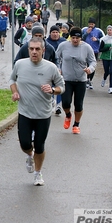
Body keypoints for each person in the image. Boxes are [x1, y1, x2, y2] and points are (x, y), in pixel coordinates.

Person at [9, 37, 65, 186]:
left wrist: (53, 90)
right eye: (31, 49)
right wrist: (15, 92)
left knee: (40, 145)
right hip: (25, 111)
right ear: (28, 50)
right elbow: (12, 80)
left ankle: (38, 173)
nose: (34, 52)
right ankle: (30, 155)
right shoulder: (20, 64)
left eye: (37, 49)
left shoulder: (50, 67)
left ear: (43, 50)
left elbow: (62, 86)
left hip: (43, 113)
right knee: (25, 143)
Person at [56, 27, 97, 134]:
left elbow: (93, 62)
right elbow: (56, 58)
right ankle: (68, 115)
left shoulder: (87, 47)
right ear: (70, 37)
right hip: (66, 79)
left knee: (78, 104)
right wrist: (58, 69)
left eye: (77, 38)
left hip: (81, 80)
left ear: (81, 38)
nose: (75, 40)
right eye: (73, 38)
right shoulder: (63, 46)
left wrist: (90, 69)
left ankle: (76, 124)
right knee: (65, 103)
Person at [46, 25, 67, 115]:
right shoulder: (46, 43)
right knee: (50, 86)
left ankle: (58, 105)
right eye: (53, 32)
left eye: (57, 32)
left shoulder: (64, 42)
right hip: (49, 69)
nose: (55, 34)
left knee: (59, 86)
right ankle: (51, 101)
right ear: (50, 33)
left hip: (61, 68)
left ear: (59, 33)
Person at [82, 17, 104, 89]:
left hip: (94, 50)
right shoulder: (84, 29)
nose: (91, 25)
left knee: (92, 65)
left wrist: (97, 39)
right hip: (85, 50)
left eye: (92, 24)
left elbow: (103, 39)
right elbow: (81, 38)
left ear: (94, 24)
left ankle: (90, 80)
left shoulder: (98, 31)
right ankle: (86, 79)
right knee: (86, 65)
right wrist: (86, 33)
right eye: (90, 24)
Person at [99, 25, 112, 94]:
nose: (109, 31)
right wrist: (107, 49)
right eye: (108, 30)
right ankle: (104, 79)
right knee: (107, 71)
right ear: (107, 31)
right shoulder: (104, 39)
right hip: (105, 57)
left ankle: (110, 87)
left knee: (111, 71)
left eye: (110, 30)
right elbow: (100, 49)